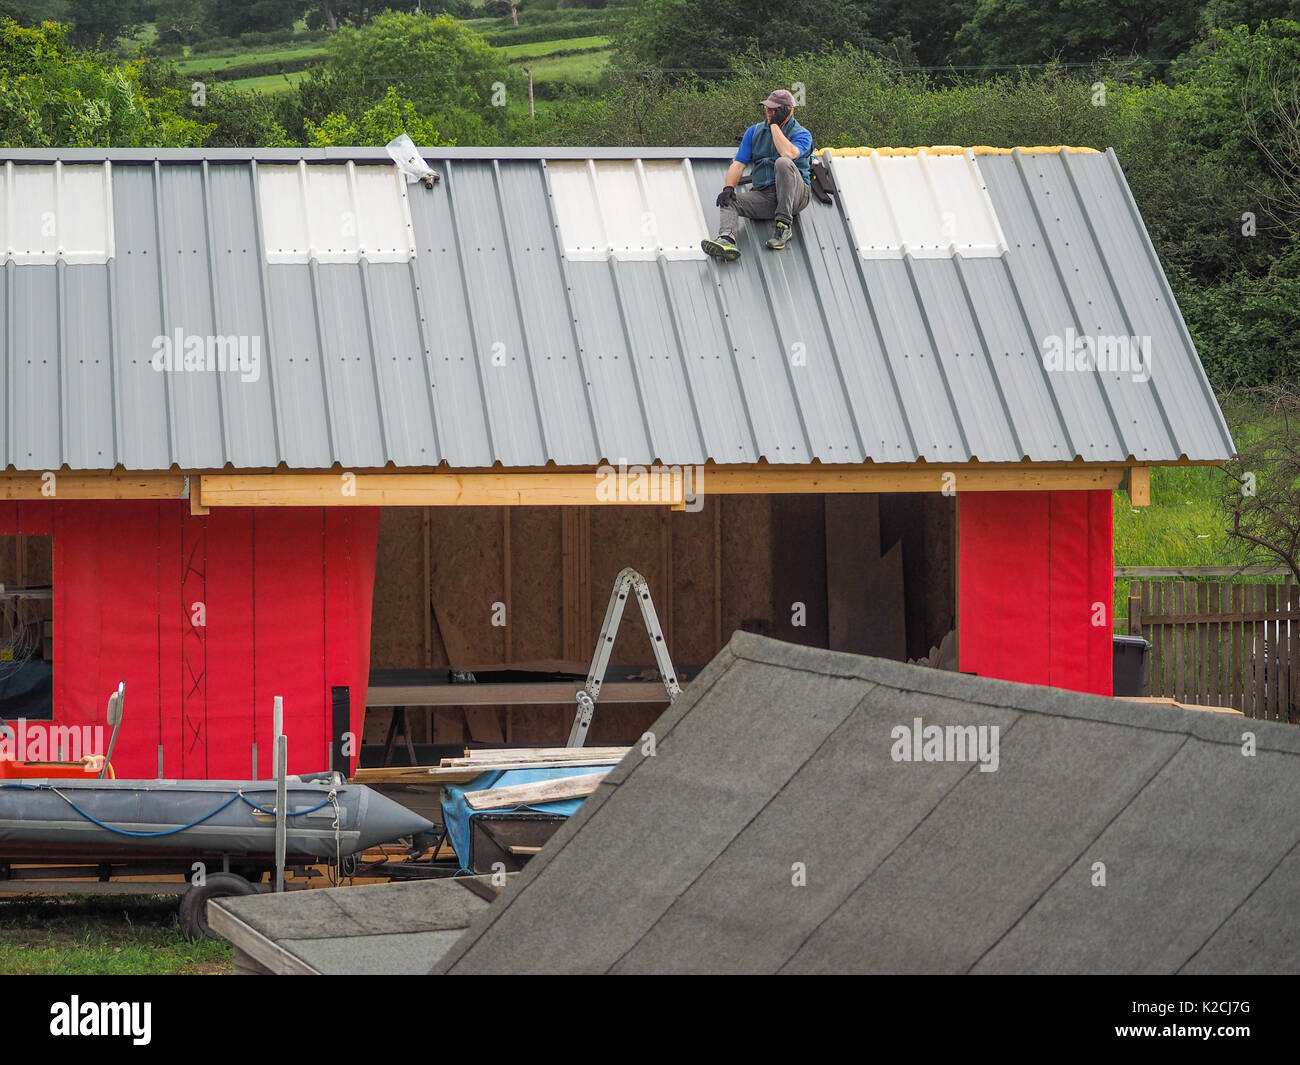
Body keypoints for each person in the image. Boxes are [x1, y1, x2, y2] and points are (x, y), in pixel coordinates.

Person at [702, 89, 814, 261]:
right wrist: (728, 188)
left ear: (789, 110)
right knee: (729, 199)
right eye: (767, 108)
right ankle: (726, 241)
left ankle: (783, 226)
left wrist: (775, 126)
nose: (769, 112)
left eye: (775, 109)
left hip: (796, 195)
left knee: (782, 162)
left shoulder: (802, 134)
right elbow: (738, 164)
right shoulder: (754, 132)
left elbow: (788, 153)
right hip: (765, 196)